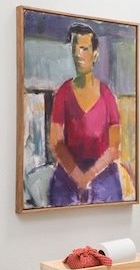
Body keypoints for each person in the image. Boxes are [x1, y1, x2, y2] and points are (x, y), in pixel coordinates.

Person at [48, 24, 124, 206]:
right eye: (75, 48)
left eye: (84, 49)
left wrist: (88, 176)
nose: (78, 54)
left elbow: (114, 147)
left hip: (102, 173)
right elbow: (56, 142)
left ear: (95, 53)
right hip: (68, 173)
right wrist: (77, 176)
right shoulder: (63, 93)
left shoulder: (107, 95)